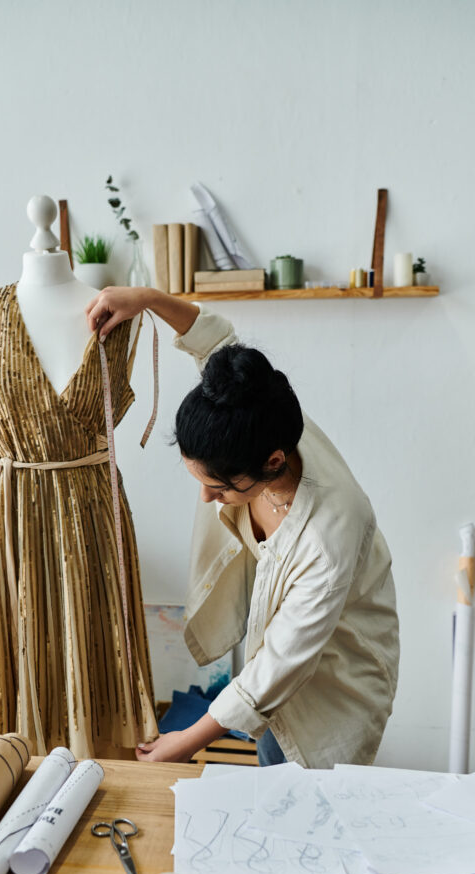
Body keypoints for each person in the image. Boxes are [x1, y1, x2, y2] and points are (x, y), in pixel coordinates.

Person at [86, 287, 399, 769]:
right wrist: (145, 299)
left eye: (220, 487)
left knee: (301, 795)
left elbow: (280, 665)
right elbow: (215, 342)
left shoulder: (330, 534)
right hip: (273, 666)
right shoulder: (260, 415)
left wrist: (188, 740)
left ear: (272, 462)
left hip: (335, 686)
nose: (209, 498)